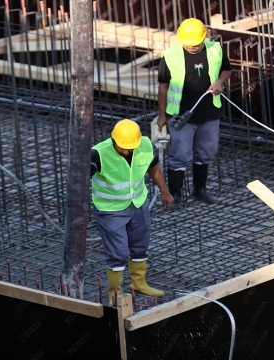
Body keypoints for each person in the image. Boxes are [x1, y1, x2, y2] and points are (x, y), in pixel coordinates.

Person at [91, 119, 174, 305]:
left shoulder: (143, 144)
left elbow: (153, 167)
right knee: (118, 253)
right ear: (113, 140)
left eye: (130, 148)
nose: (126, 151)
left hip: (138, 204)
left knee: (140, 245)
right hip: (110, 209)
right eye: (122, 147)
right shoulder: (98, 153)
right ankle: (115, 294)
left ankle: (138, 283)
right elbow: (80, 177)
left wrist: (165, 191)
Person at [157, 18, 232, 209]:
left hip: (209, 113)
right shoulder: (170, 56)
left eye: (195, 44)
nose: (191, 47)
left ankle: (200, 189)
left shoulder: (215, 50)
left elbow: (227, 70)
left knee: (207, 152)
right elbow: (163, 87)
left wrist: (220, 82)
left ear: (204, 38)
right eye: (188, 44)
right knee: (179, 155)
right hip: (182, 116)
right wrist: (162, 115)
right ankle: (175, 194)